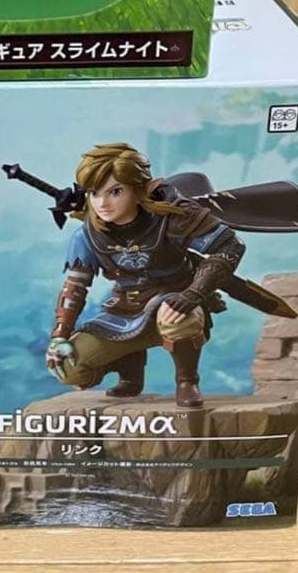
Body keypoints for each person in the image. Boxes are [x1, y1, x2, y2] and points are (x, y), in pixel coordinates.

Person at [47, 142, 246, 408]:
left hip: (174, 299)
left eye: (115, 191)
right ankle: (129, 369)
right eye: (94, 193)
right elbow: (75, 286)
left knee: (176, 315)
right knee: (67, 367)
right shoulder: (87, 234)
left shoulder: (173, 218)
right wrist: (60, 336)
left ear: (139, 189)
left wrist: (193, 295)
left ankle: (187, 381)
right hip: (123, 310)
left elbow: (230, 246)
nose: (102, 203)